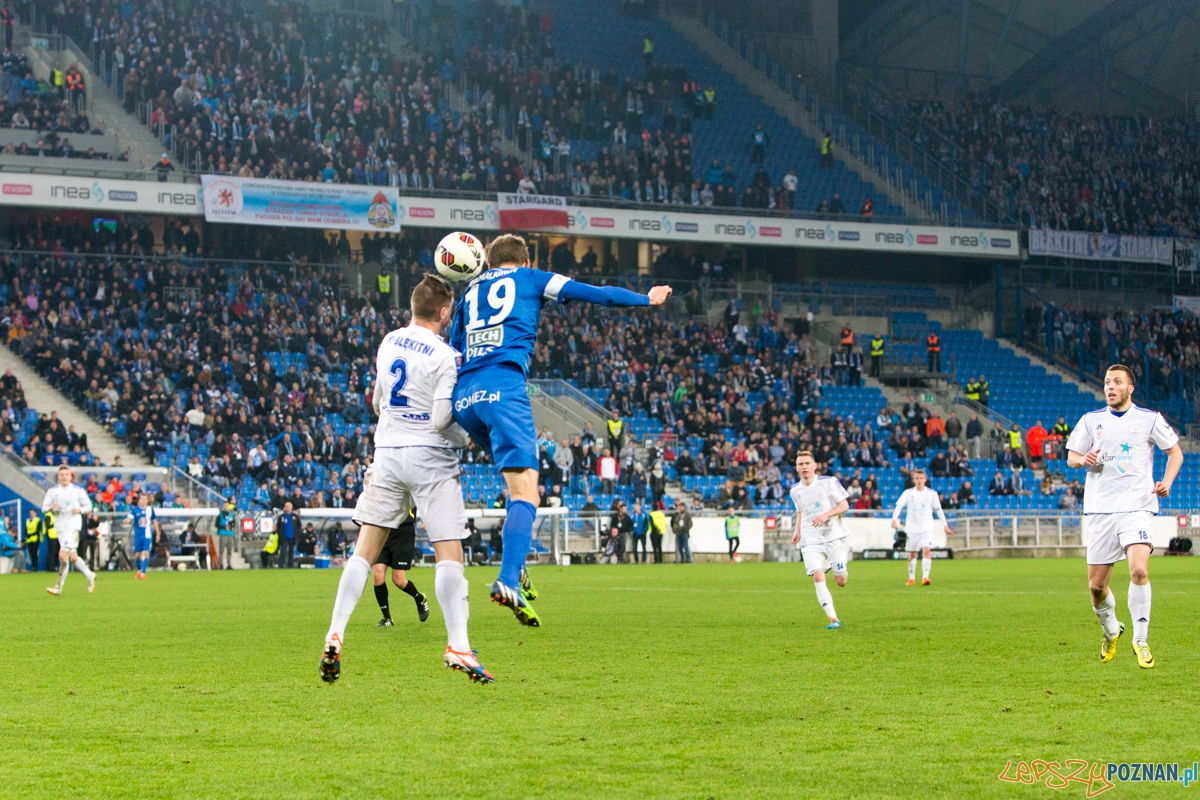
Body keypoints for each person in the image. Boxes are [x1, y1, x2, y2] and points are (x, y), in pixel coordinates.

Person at [449, 234, 670, 626]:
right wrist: (646, 300)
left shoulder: (468, 291)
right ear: (525, 258)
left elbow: (453, 350)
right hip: (503, 385)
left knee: (515, 484)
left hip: (465, 396)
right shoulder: (531, 278)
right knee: (526, 491)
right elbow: (596, 294)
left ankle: (517, 567)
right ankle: (507, 580)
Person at [323, 275, 491, 684]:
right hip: (429, 458)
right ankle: (459, 646)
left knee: (364, 552)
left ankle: (335, 631)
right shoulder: (446, 355)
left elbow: (379, 400)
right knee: (449, 554)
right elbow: (440, 420)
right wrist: (466, 439)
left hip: (387, 453)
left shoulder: (390, 341)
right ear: (445, 312)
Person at [1065, 364, 1182, 670]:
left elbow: (1175, 453)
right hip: (1101, 510)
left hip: (1137, 507)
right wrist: (1082, 460)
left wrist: (1166, 483)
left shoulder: (1149, 420)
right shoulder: (1091, 421)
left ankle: (1141, 640)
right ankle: (1112, 630)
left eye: (1117, 381)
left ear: (1131, 387)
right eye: (1107, 382)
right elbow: (1071, 456)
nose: (1110, 386)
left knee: (1139, 570)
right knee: (1096, 588)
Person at [789, 451, 850, 629]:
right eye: (800, 464)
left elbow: (844, 505)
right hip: (810, 539)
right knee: (817, 574)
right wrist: (797, 530)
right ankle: (833, 618)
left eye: (807, 463)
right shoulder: (795, 490)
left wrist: (826, 515)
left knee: (841, 581)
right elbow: (801, 510)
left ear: (815, 465)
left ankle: (837, 566)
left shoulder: (828, 482)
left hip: (833, 536)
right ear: (797, 467)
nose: (804, 467)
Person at [891, 469, 953, 586]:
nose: (919, 480)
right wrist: (894, 519)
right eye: (917, 478)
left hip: (927, 527)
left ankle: (925, 577)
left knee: (926, 551)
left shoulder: (932, 493)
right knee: (913, 554)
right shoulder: (908, 493)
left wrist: (945, 525)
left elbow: (938, 510)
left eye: (921, 478)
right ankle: (911, 578)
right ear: (914, 480)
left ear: (925, 480)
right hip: (912, 528)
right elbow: (899, 506)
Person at [372, 507, 430, 627]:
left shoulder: (411, 487)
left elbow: (421, 497)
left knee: (398, 580)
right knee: (378, 575)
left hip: (403, 532)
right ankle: (387, 618)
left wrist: (425, 520)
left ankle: (420, 598)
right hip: (384, 530)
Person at [43, 465, 96, 594]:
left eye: (66, 474)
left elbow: (89, 505)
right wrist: (50, 507)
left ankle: (58, 587)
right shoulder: (52, 491)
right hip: (60, 527)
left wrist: (80, 510)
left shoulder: (77, 490)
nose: (64, 477)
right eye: (62, 474)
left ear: (71, 476)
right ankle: (89, 574)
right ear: (58, 476)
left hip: (73, 526)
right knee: (72, 557)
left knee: (62, 555)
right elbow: (43, 508)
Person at [126, 493, 161, 579]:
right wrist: (126, 520)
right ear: (139, 500)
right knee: (137, 555)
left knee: (146, 553)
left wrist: (157, 533)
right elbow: (129, 518)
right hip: (138, 535)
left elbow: (154, 521)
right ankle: (139, 571)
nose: (143, 500)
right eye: (142, 499)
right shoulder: (135, 510)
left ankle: (143, 573)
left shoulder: (150, 510)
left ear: (147, 500)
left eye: (145, 499)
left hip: (147, 535)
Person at [275, 501, 300, 568]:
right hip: (284, 537)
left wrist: (297, 535)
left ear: (291, 507)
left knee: (291, 552)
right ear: (284, 507)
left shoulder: (295, 516)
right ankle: (281, 565)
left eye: (289, 506)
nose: (288, 508)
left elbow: (298, 526)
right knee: (283, 551)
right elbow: (279, 526)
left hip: (292, 537)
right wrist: (280, 535)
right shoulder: (281, 517)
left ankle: (290, 565)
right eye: (287, 506)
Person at [216, 499, 238, 569]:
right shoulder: (220, 514)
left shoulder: (231, 514)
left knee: (229, 550)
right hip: (223, 533)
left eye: (227, 505)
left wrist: (232, 527)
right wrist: (224, 527)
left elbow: (234, 523)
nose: (226, 507)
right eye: (225, 505)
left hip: (230, 534)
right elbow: (216, 524)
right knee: (221, 550)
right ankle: (221, 564)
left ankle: (229, 564)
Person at [24, 507, 41, 572]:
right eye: (30, 513)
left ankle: (35, 567)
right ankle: (32, 566)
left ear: (35, 513)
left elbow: (37, 530)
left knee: (34, 553)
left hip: (35, 539)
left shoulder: (38, 520)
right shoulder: (28, 520)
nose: (31, 514)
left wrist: (30, 535)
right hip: (29, 540)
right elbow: (26, 529)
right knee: (31, 553)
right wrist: (26, 535)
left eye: (32, 513)